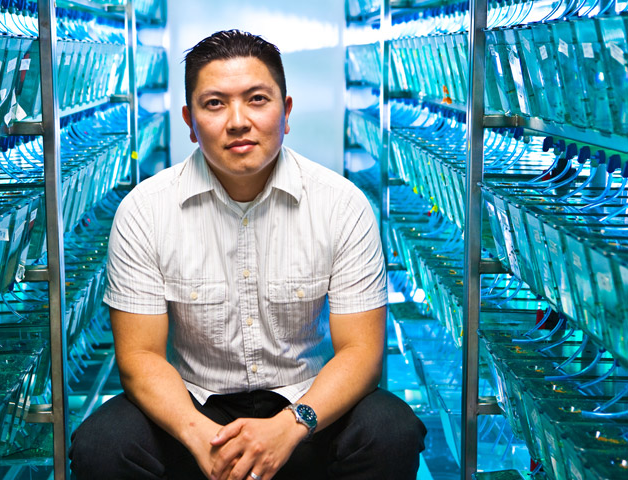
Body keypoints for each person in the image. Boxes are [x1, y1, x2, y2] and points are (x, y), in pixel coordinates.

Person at [69, 29, 426, 480]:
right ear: (189, 121)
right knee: (103, 443)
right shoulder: (145, 210)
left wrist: (292, 425)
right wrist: (199, 436)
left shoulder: (341, 204)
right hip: (195, 409)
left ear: (287, 111)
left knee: (390, 429)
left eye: (257, 99)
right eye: (214, 104)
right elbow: (139, 357)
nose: (238, 120)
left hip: (307, 410)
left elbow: (362, 352)